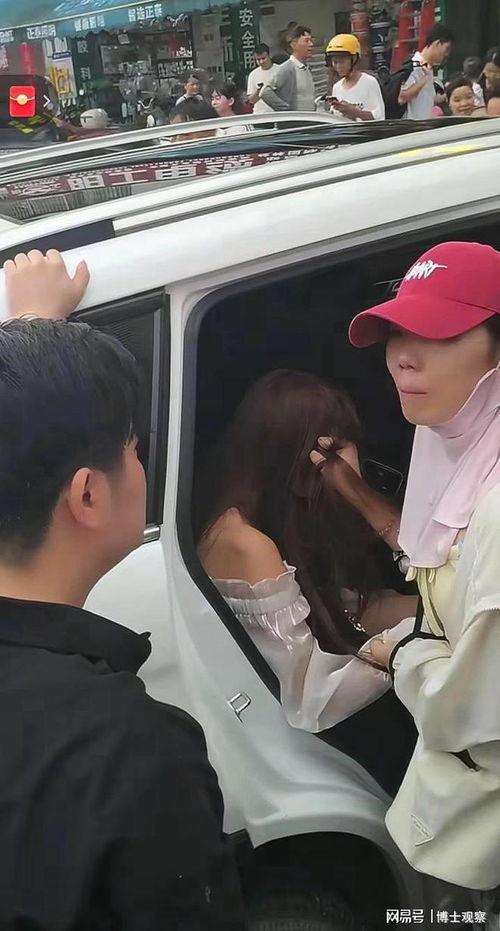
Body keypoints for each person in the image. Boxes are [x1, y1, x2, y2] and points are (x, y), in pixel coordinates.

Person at [0, 251, 246, 930]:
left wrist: (33, 342)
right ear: (87, 494)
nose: (141, 464)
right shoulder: (135, 754)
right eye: (135, 449)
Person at [334, 241, 500, 905]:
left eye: (440, 332)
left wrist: (401, 652)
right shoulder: (454, 436)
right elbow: (440, 563)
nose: (403, 355)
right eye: (397, 333)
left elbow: (469, 710)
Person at [196, 370, 417, 736]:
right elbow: (311, 699)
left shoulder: (277, 519)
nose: (356, 460)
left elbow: (346, 610)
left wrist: (440, 611)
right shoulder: (246, 543)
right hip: (290, 737)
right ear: (311, 457)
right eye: (343, 446)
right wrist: (414, 638)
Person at [399, 24, 454, 121]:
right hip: (412, 126)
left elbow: (426, 99)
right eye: (447, 48)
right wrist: (424, 80)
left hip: (425, 125)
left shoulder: (429, 69)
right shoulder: (414, 67)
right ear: (437, 43)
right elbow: (402, 97)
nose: (447, 54)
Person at [326, 33, 385, 122]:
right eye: (335, 62)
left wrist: (354, 112)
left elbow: (379, 117)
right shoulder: (336, 87)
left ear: (354, 59)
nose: (338, 66)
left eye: (342, 61)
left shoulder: (369, 82)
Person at [260, 25, 316, 112]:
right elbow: (265, 92)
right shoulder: (287, 68)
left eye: (311, 41)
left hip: (309, 118)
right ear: (293, 44)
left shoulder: (307, 68)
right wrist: (286, 110)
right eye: (306, 41)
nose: (311, 44)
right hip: (295, 120)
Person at [246, 43, 280, 114]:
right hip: (260, 113)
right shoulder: (253, 75)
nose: (261, 62)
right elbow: (251, 100)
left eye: (264, 58)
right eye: (258, 59)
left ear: (269, 56)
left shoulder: (280, 70)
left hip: (277, 113)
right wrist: (259, 90)